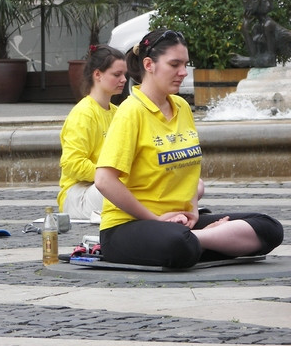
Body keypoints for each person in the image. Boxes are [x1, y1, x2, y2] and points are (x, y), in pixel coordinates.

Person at [94, 30, 284, 268]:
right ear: (149, 64)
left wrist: (192, 211)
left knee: (269, 228)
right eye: (174, 64)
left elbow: (190, 176)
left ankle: (199, 240)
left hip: (181, 223)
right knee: (178, 244)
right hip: (129, 226)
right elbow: (104, 180)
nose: (183, 72)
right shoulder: (131, 111)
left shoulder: (181, 106)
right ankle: (209, 241)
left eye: (185, 64)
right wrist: (155, 219)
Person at [57, 45, 127, 221]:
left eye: (124, 74)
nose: (124, 79)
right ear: (98, 74)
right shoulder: (83, 113)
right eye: (117, 75)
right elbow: (72, 164)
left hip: (105, 187)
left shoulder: (118, 112)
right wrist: (110, 176)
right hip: (78, 195)